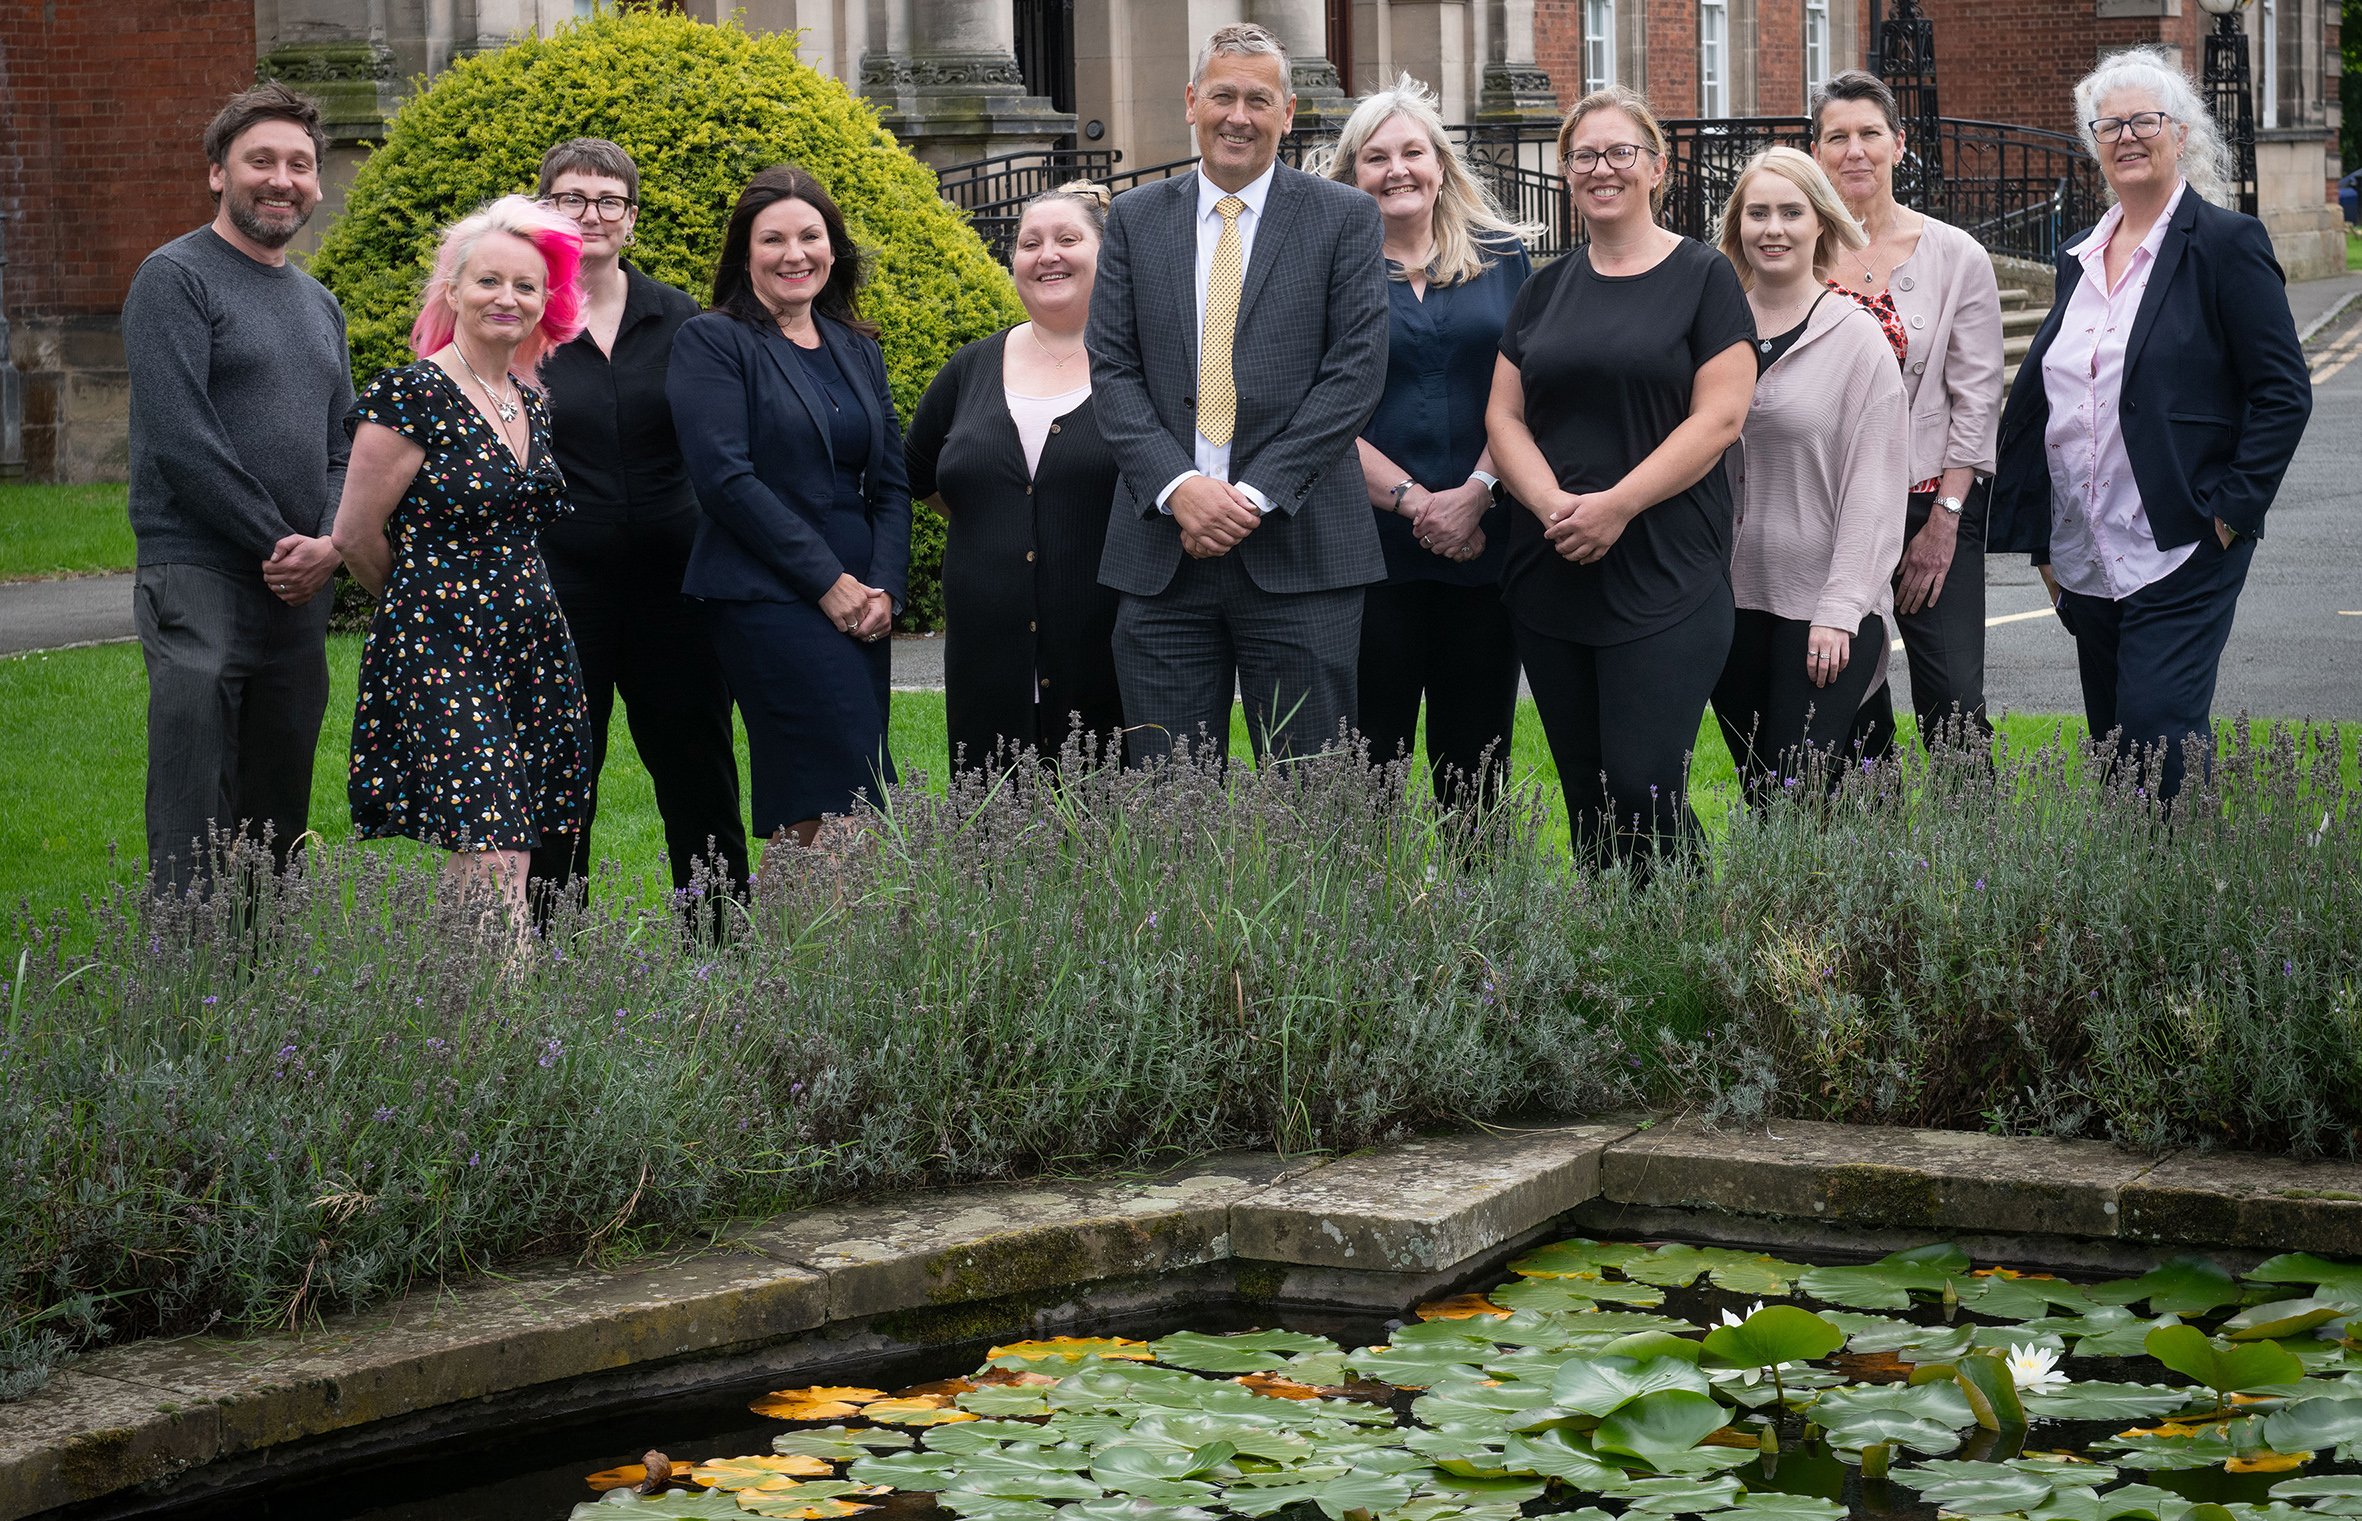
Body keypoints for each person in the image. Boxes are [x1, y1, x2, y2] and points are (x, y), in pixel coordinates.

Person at [1989, 47, 2311, 803]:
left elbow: (2283, 391)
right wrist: (2044, 544)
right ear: (2094, 142)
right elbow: (2054, 404)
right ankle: (2140, 879)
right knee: (2116, 751)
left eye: (2145, 121)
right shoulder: (2077, 258)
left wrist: (2231, 513)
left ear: (2181, 133)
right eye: (2110, 125)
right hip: (2085, 552)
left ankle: (2185, 876)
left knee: (2159, 734)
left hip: (2182, 541)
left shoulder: (2225, 244)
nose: (2127, 137)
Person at [1086, 22, 1390, 764]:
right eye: (1223, 96)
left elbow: (1354, 374)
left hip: (1301, 552)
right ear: (1192, 101)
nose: (1239, 117)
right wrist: (1179, 487)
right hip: (1162, 556)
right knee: (1168, 799)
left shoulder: (1344, 217)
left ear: (1288, 113)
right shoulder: (1134, 219)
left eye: (1260, 100)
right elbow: (1112, 369)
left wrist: (1250, 497)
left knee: (1313, 793)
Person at [1484, 86, 1755, 875]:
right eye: (1584, 157)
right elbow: (1503, 416)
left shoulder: (1704, 278)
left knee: (1644, 788)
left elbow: (1719, 419)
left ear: (1657, 168)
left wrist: (1617, 506)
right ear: (1567, 174)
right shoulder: (1543, 289)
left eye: (1620, 152)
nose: (1602, 169)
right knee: (1588, 800)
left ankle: (1688, 935)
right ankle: (1611, 945)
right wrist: (1552, 506)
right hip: (1552, 569)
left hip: (1665, 569)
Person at [329, 197, 593, 921]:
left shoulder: (528, 401)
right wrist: (424, 603)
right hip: (442, 644)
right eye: (488, 281)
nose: (508, 297)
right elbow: (355, 534)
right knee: (490, 838)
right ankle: (499, 992)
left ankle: (465, 990)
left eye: (526, 285)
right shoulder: (410, 395)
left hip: (532, 644)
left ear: (545, 302)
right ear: (452, 291)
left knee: (513, 837)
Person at [122, 82, 352, 894]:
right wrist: (283, 545)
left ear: (316, 182)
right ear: (218, 171)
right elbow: (184, 441)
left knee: (276, 814)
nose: (282, 179)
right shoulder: (175, 278)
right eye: (261, 161)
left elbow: (343, 446)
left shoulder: (320, 304)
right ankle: (185, 969)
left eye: (299, 164)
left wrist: (330, 543)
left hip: (298, 592)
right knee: (194, 805)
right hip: (201, 575)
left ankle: (260, 970)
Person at [524, 138, 749, 909]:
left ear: (631, 218)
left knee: (699, 770)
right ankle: (552, 948)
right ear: (544, 210)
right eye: (572, 199)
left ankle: (721, 938)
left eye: (609, 201)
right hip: (562, 586)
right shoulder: (521, 316)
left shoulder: (680, 318)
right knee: (558, 776)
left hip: (675, 586)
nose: (591, 214)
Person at [668, 166, 911, 846]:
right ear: (744, 254)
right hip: (769, 596)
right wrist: (827, 582)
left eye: (811, 236)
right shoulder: (712, 340)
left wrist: (884, 586)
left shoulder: (857, 347)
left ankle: (785, 921)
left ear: (833, 247)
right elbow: (725, 479)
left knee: (823, 798)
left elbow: (891, 481)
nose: (794, 254)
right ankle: (817, 922)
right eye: (772, 239)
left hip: (862, 602)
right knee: (839, 794)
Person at [1322, 75, 1535, 810]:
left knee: (1476, 770)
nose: (1397, 170)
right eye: (1376, 158)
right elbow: (1313, 414)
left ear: (1441, 164)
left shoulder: (1502, 258)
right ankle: (1365, 891)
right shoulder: (1325, 271)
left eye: (1413, 152)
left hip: (1487, 549)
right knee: (1365, 769)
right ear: (1352, 174)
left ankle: (1474, 889)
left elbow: (1528, 390)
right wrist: (1420, 504)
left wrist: (1476, 494)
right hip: (1365, 553)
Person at [1811, 70, 2006, 755]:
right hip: (1828, 506)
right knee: (1846, 698)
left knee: (1954, 703)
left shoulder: (1957, 256)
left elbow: (1978, 397)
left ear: (1898, 145)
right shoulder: (1792, 251)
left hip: (1929, 501)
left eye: (1870, 134)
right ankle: (1874, 819)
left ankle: (1971, 823)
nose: (1854, 151)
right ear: (1816, 151)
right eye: (1837, 137)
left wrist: (1946, 520)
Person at [1711, 149, 1908, 803]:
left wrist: (1841, 609)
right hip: (1728, 604)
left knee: (1794, 795)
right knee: (1764, 792)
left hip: (1820, 607)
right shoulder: (1713, 332)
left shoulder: (1858, 340)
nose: (1774, 228)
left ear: (1820, 222)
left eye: (1791, 212)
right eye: (1758, 213)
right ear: (1738, 225)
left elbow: (1874, 492)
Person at [905, 182, 1124, 771]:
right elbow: (913, 472)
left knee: (1112, 816)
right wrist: (999, 520)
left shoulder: (1141, 364)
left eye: (1067, 239)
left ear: (1108, 254)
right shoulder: (971, 367)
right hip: (987, 659)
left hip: (1107, 656)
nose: (1047, 255)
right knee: (994, 818)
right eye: (1030, 243)